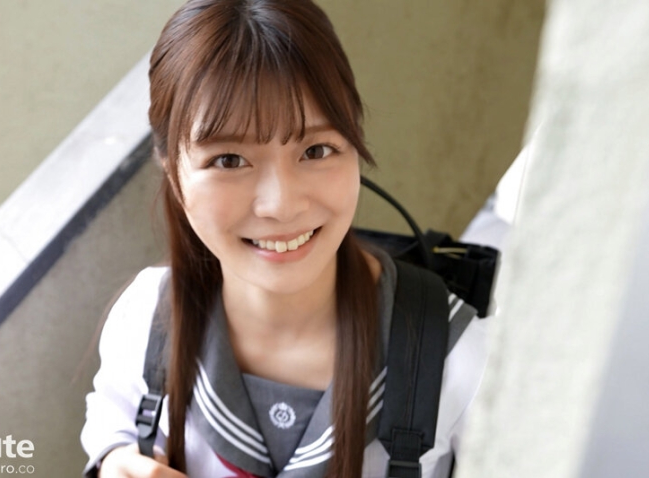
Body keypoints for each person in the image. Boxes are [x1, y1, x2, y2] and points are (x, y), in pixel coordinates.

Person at [81, 0, 489, 477]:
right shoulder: (145, 320)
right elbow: (111, 423)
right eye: (229, 160)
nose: (280, 204)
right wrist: (117, 461)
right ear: (172, 171)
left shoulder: (461, 361)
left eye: (316, 150)